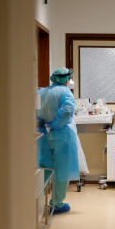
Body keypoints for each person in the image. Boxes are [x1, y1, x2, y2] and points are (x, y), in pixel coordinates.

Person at [37, 68, 80, 214]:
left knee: (45, 167)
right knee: (62, 169)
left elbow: (36, 111)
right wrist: (56, 124)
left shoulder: (42, 92)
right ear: (66, 79)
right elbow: (67, 110)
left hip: (44, 135)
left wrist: (44, 124)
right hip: (61, 134)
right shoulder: (65, 92)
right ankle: (57, 203)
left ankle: (40, 200)